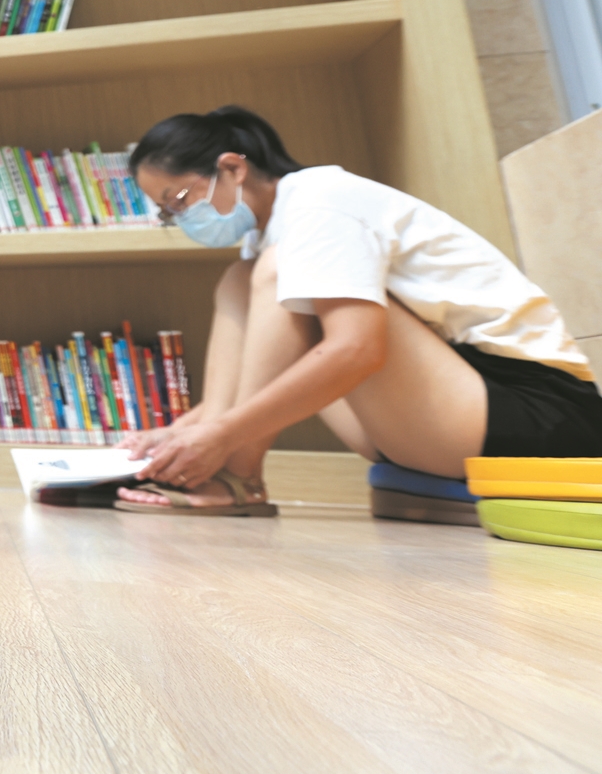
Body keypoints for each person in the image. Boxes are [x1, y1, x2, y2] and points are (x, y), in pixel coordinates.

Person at [113, 105, 599, 515]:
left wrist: (223, 436)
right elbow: (265, 370)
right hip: (446, 418)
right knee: (243, 277)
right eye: (169, 213)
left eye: (180, 199)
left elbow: (357, 351)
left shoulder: (320, 203)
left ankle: (239, 475)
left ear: (233, 169)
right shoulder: (269, 236)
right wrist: (182, 433)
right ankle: (222, 460)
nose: (181, 218)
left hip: (539, 415)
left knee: (280, 272)